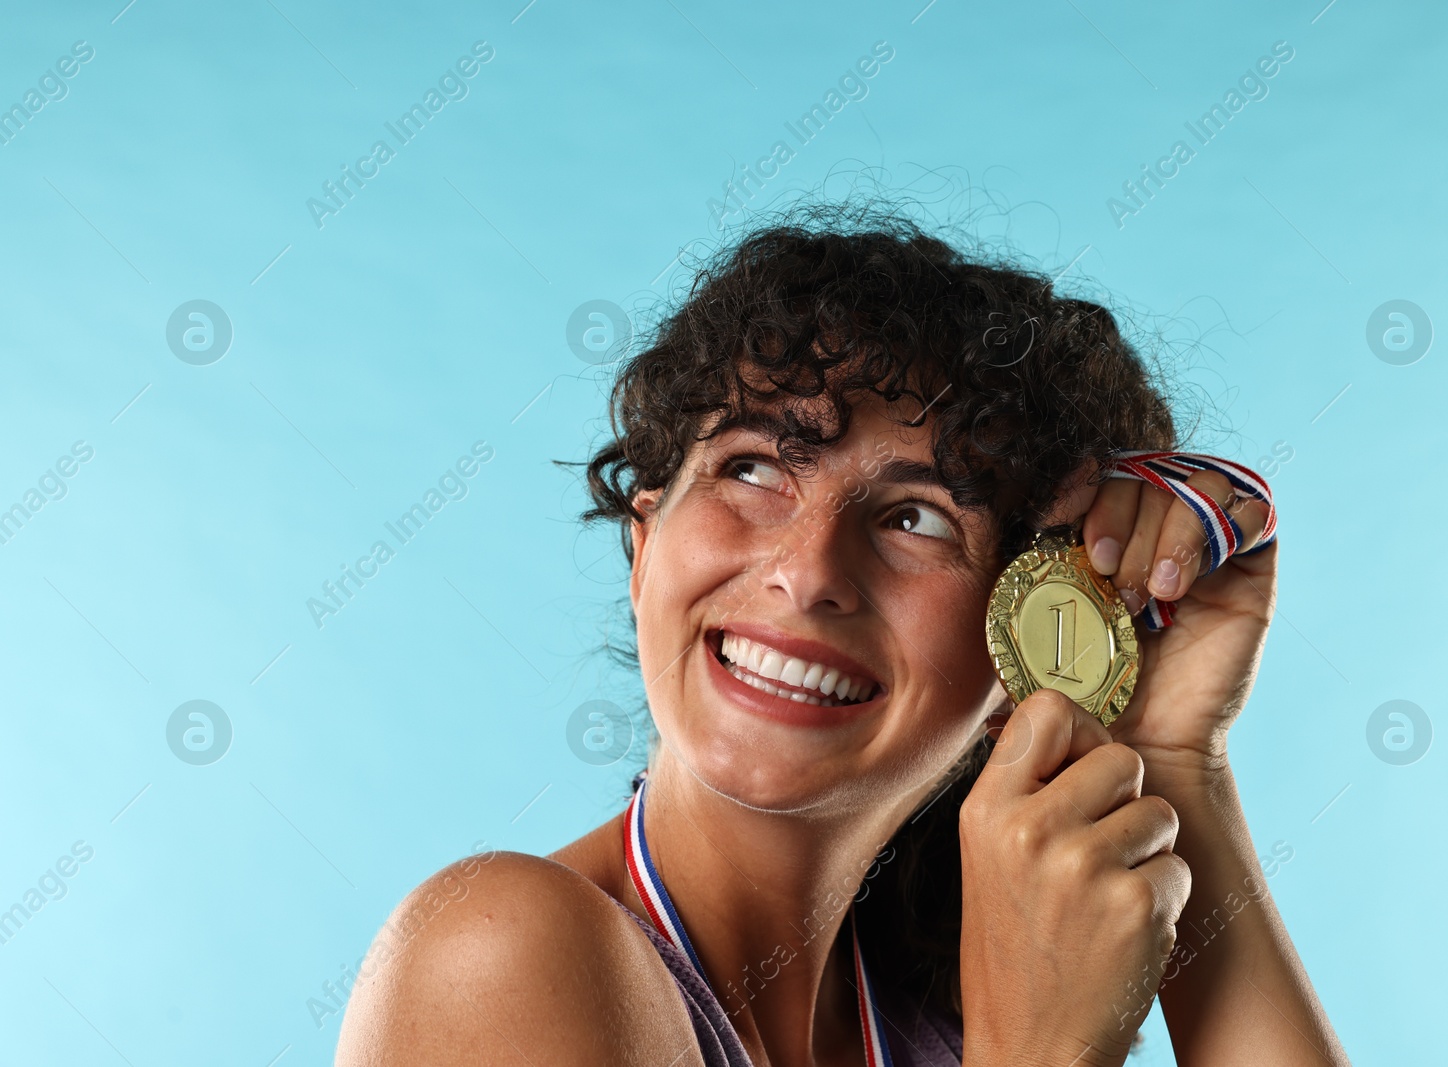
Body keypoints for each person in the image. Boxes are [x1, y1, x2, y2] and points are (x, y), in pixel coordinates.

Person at [335, 206, 1350, 1066]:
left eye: (918, 519)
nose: (810, 570)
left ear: (1026, 645)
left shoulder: (933, 1004)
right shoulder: (500, 948)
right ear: (643, 544)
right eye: (751, 468)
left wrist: (1175, 762)